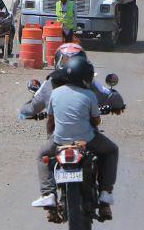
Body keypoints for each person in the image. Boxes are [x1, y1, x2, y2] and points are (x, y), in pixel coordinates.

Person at [32, 55, 119, 210]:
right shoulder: (89, 95)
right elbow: (96, 121)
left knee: (42, 155)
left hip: (59, 140)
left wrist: (50, 138)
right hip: (87, 140)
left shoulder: (55, 93)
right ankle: (105, 191)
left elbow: (51, 120)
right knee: (112, 150)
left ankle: (48, 194)